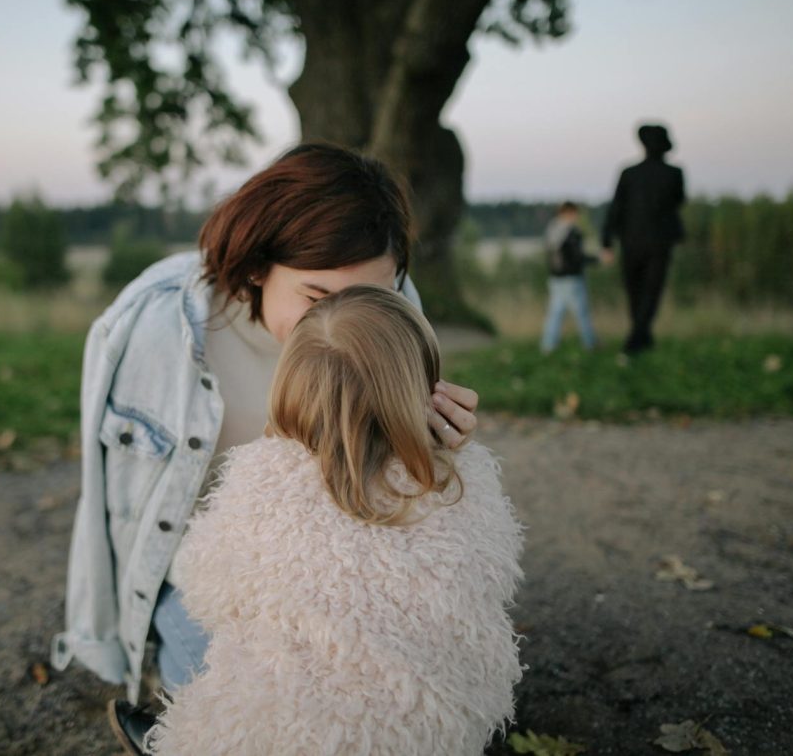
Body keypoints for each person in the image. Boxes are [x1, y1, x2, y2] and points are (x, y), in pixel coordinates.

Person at [46, 143, 483, 753]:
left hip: (344, 570)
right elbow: (109, 503)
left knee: (395, 704)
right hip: (211, 574)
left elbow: (403, 494)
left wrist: (438, 447)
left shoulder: (399, 312)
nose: (350, 322)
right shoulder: (155, 327)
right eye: (316, 296)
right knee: (252, 707)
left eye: (374, 298)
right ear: (256, 267)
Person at [146, 284, 524, 756]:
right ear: (424, 386)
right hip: (431, 731)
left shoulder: (264, 474)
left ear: (291, 383)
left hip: (281, 737)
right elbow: (494, 579)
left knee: (178, 613)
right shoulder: (458, 478)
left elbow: (206, 590)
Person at [601, 123, 686, 354]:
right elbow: (678, 202)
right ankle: (641, 337)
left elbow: (615, 208)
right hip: (659, 242)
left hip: (632, 241)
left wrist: (607, 241)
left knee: (636, 290)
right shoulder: (674, 174)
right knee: (650, 291)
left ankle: (636, 338)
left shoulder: (629, 174)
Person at [540, 201, 598, 353]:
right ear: (568, 213)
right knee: (582, 312)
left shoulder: (552, 230)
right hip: (572, 278)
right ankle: (590, 343)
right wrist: (597, 259)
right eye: (575, 213)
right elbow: (577, 257)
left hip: (555, 277)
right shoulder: (571, 232)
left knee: (555, 313)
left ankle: (548, 345)